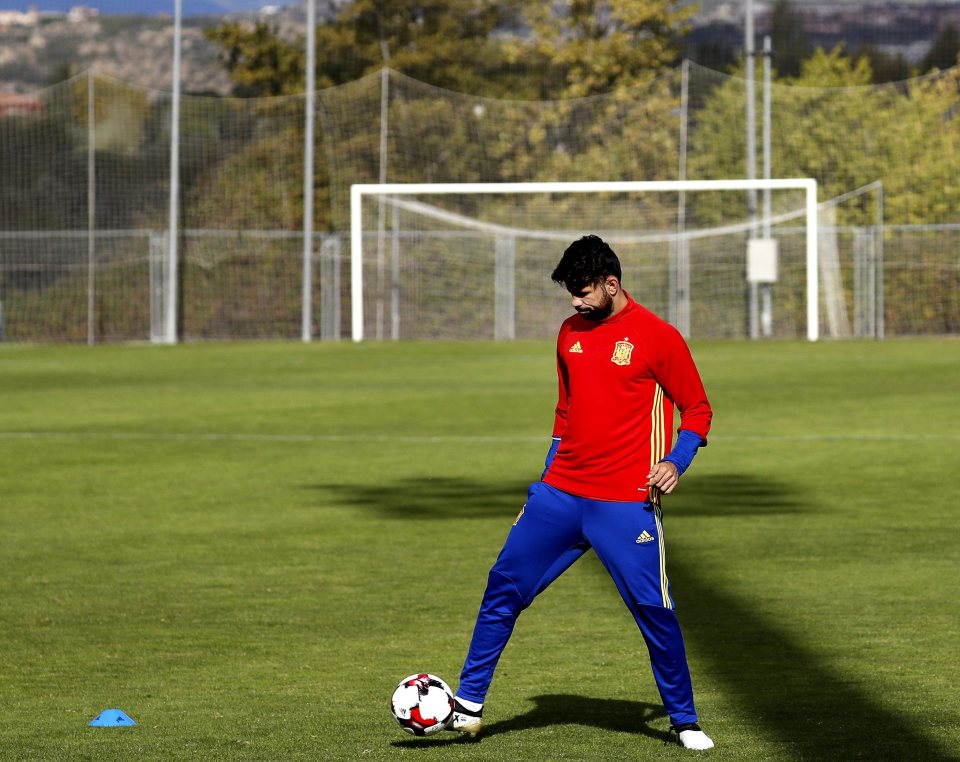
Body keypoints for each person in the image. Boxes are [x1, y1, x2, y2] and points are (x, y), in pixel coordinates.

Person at [446, 235, 715, 750]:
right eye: (570, 291)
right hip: (559, 496)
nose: (574, 301)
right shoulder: (569, 331)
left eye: (583, 290)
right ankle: (468, 704)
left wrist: (676, 462)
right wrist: (545, 478)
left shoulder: (658, 337)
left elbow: (698, 410)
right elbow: (564, 412)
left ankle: (684, 720)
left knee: (653, 609)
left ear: (612, 284)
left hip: (624, 502)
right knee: (503, 587)